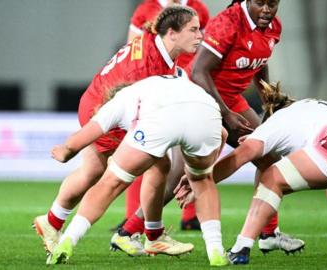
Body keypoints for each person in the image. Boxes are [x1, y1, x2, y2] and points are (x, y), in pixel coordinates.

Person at [33, 5, 203, 257]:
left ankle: (52, 221)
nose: (200, 35)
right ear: (172, 33)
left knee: (92, 171)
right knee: (158, 165)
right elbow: (129, 106)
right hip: (105, 110)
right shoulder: (145, 69)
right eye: (194, 30)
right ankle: (150, 235)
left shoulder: (155, 44)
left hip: (95, 100)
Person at [177, 80, 327, 265]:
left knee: (271, 177)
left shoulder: (276, 121)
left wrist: (198, 179)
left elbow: (241, 155)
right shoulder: (310, 107)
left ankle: (240, 249)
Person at [46, 75, 229, 267]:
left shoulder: (119, 101)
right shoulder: (156, 85)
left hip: (162, 119)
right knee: (202, 182)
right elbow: (222, 134)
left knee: (110, 182)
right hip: (207, 110)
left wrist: (64, 152)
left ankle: (68, 241)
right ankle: (215, 250)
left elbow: (81, 138)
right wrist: (201, 173)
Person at [189, 0, 305, 253]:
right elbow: (198, 72)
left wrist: (266, 94)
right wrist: (226, 113)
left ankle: (268, 233)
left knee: (268, 160)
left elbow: (260, 59)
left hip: (233, 102)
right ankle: (132, 230)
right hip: (200, 100)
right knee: (175, 175)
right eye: (260, 3)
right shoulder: (228, 23)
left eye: (272, 3)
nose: (267, 9)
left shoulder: (273, 26)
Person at [122, 0, 210, 233]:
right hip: (157, 86)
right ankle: (133, 217)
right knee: (143, 153)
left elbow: (205, 48)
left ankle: (191, 216)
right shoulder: (146, 8)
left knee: (192, 152)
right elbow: (133, 48)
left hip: (188, 84)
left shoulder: (197, 7)